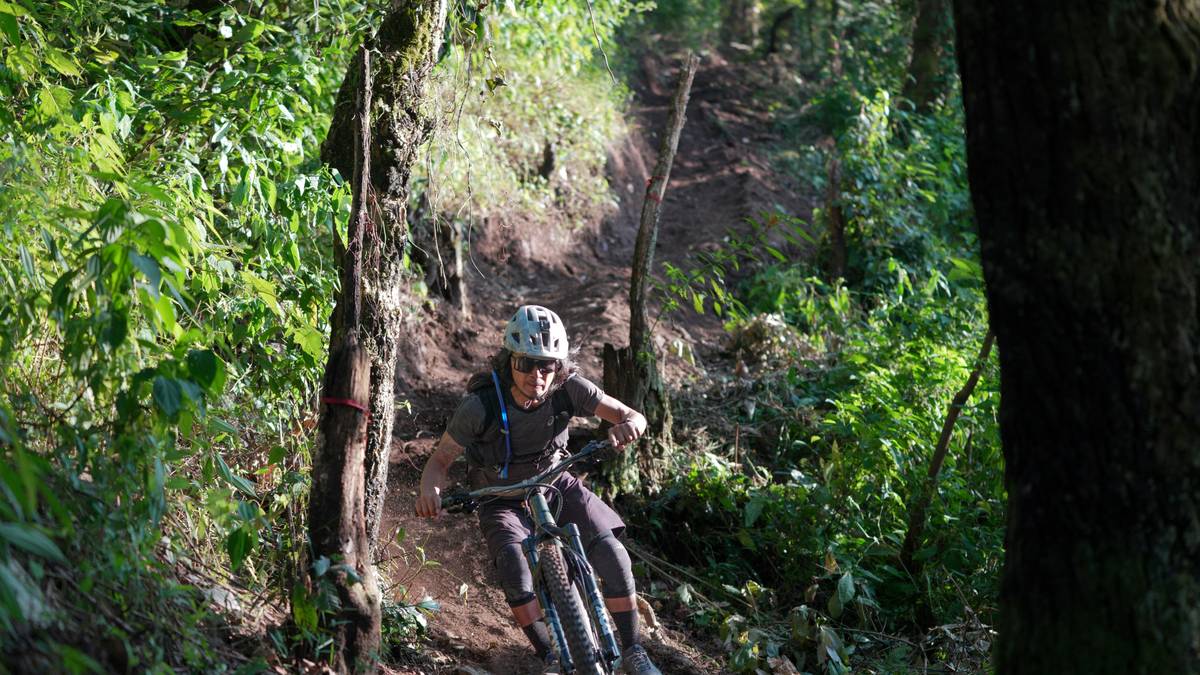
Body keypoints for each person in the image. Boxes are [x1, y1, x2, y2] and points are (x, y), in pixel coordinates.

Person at [415, 305, 662, 675]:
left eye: (546, 365)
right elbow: (440, 461)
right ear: (508, 361)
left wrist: (629, 425)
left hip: (555, 481)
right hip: (499, 498)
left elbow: (631, 414)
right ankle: (548, 653)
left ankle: (633, 650)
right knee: (515, 569)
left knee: (614, 556)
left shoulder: (569, 389)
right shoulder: (480, 405)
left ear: (558, 367)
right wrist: (429, 491)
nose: (537, 375)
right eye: (526, 363)